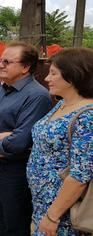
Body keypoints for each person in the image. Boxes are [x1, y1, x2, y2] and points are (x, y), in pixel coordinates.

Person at [0, 41, 53, 236]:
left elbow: (20, 140)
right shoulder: (2, 89)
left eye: (7, 62)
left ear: (26, 67)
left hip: (15, 172)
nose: (0, 65)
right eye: (0, 60)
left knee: (13, 225)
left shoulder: (37, 96)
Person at [26, 48, 93, 235]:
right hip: (42, 203)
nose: (47, 78)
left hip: (64, 213)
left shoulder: (88, 116)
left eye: (53, 73)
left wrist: (53, 216)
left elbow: (81, 174)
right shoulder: (62, 104)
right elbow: (49, 140)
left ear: (74, 75)